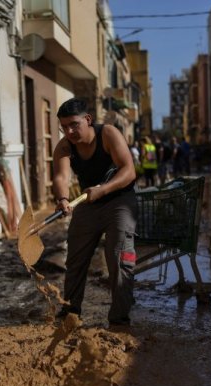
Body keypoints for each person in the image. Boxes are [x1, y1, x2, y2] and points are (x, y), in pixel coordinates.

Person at [52, 98, 138, 326]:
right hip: (88, 204)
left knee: (118, 256)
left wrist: (103, 189)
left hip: (120, 200)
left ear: (88, 119)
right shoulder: (64, 146)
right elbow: (61, 177)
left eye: (74, 125)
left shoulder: (108, 134)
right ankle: (71, 309)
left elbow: (129, 171)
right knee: (76, 257)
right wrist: (62, 199)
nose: (69, 131)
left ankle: (119, 319)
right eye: (64, 127)